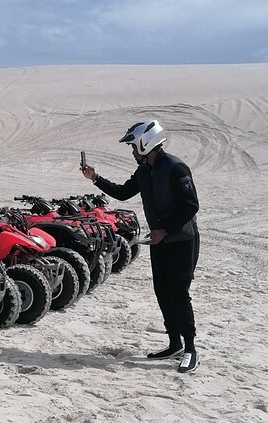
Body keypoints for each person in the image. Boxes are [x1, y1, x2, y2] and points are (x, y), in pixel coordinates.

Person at [81, 119, 200, 373]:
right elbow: (123, 192)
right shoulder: (144, 172)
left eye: (134, 148)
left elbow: (191, 205)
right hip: (160, 241)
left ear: (147, 144)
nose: (133, 152)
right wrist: (95, 178)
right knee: (162, 292)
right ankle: (174, 343)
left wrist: (165, 230)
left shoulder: (176, 168)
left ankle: (190, 349)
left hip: (182, 240)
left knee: (179, 293)